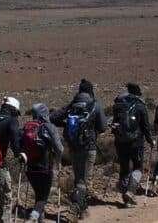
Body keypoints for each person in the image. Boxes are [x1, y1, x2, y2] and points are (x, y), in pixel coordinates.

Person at [50, 79, 107, 217]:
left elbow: (53, 117)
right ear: (91, 90)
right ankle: (74, 209)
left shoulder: (72, 105)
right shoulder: (95, 105)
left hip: (73, 147)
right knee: (84, 181)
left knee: (78, 178)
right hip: (89, 147)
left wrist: (67, 124)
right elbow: (103, 127)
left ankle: (82, 209)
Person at [111, 83, 154, 207]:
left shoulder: (118, 105)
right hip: (136, 142)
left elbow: (115, 123)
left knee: (124, 168)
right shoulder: (140, 106)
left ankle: (125, 195)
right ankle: (130, 191)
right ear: (137, 93)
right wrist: (150, 140)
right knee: (138, 167)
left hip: (120, 142)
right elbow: (145, 126)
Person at [22, 103, 63, 222]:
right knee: (43, 198)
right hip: (45, 168)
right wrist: (58, 161)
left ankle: (41, 220)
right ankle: (33, 218)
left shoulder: (26, 127)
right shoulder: (48, 126)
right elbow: (59, 148)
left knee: (39, 195)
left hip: (30, 168)